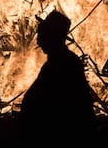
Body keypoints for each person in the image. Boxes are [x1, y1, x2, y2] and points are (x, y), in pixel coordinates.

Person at [18, 10, 98, 147]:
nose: (38, 40)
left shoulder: (61, 64)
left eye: (42, 35)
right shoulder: (62, 61)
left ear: (52, 37)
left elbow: (52, 104)